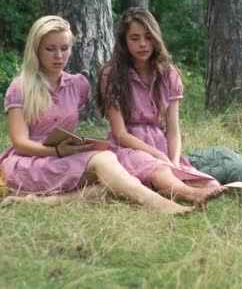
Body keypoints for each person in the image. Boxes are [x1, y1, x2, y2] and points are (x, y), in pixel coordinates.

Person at [0, 16, 194, 214]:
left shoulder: (78, 85)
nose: (59, 56)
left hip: (63, 159)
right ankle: (155, 202)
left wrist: (74, 147)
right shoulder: (20, 87)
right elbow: (20, 143)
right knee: (105, 161)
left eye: (65, 48)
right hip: (28, 163)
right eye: (50, 49)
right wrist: (57, 152)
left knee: (113, 183)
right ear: (36, 50)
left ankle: (34, 202)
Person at [97, 7, 227, 204]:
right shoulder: (112, 75)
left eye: (148, 37)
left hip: (161, 145)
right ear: (124, 41)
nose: (143, 44)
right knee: (159, 170)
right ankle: (191, 196)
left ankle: (173, 187)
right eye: (134, 38)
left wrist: (174, 162)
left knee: (212, 184)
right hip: (128, 147)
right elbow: (120, 134)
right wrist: (157, 154)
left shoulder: (169, 74)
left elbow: (173, 129)